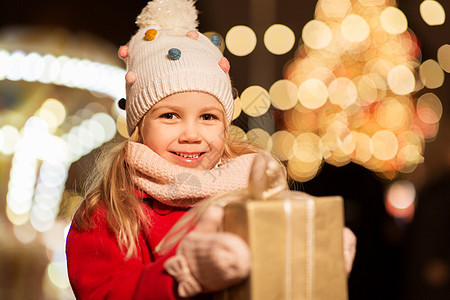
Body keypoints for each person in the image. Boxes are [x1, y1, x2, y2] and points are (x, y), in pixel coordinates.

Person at [66, 1, 356, 299]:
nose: (191, 135)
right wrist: (184, 275)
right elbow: (104, 291)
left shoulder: (257, 193)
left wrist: (318, 263)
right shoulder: (109, 213)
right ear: (140, 126)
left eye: (208, 117)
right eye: (169, 116)